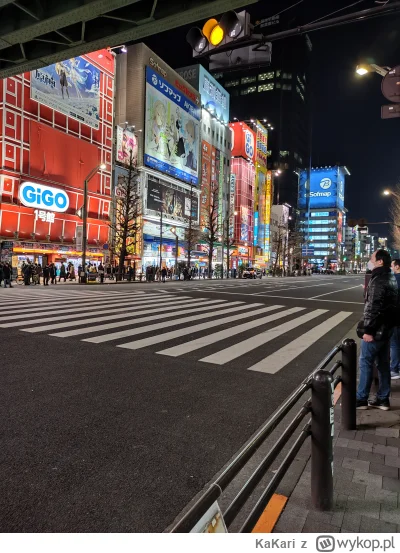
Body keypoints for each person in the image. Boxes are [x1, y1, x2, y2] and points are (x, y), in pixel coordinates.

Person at [356, 250, 398, 411]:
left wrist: (368, 330)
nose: (370, 260)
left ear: (380, 261)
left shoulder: (379, 279)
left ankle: (361, 399)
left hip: (377, 330)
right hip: (387, 329)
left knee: (365, 362)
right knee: (383, 364)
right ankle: (383, 399)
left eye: (372, 258)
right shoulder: (390, 277)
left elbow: (374, 307)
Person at [390, 259, 400, 380]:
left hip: (396, 317)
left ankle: (394, 369)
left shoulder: (395, 280)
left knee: (395, 344)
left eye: (392, 266)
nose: (391, 268)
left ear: (397, 267)